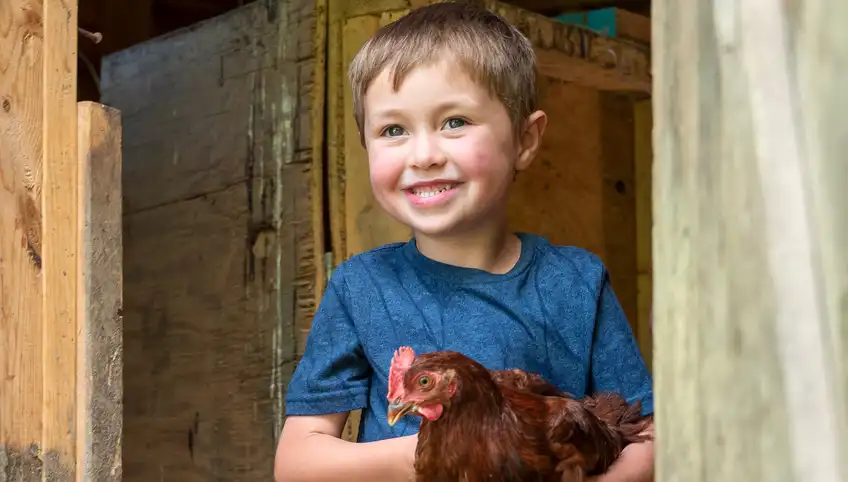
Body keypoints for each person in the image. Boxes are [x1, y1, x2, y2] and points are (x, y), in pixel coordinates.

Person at [274, 2, 654, 481]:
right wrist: (450, 451)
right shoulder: (361, 286)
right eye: (393, 130)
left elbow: (645, 432)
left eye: (454, 121)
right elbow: (297, 464)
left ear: (524, 139)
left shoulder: (575, 281)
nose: (425, 155)